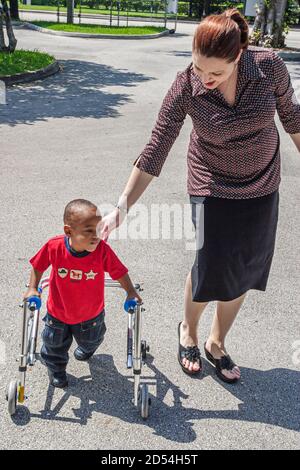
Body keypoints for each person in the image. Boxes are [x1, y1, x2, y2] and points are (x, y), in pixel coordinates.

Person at [100, 8, 300, 384]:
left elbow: (292, 117)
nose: (204, 79)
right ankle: (188, 331)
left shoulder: (268, 67)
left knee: (246, 266)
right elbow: (156, 148)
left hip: (262, 180)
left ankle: (217, 342)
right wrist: (121, 209)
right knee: (211, 262)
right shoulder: (185, 86)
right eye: (198, 68)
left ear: (239, 54)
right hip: (211, 182)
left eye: (216, 73)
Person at [24, 199, 142, 388]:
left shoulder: (102, 251)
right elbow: (38, 265)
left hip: (91, 314)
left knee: (92, 339)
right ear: (68, 231)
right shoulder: (55, 247)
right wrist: (32, 288)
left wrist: (130, 292)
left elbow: (119, 271)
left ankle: (87, 349)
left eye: (99, 228)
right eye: (89, 231)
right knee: (54, 346)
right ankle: (56, 369)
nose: (96, 235)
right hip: (58, 313)